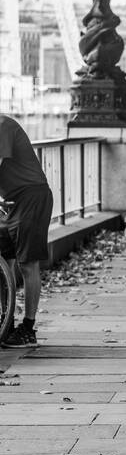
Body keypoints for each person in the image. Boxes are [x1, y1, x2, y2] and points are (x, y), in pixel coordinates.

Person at [0, 113, 53, 347]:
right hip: (10, 201)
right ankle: (6, 321)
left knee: (28, 263)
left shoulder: (2, 124)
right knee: (6, 259)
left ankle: (28, 328)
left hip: (31, 196)